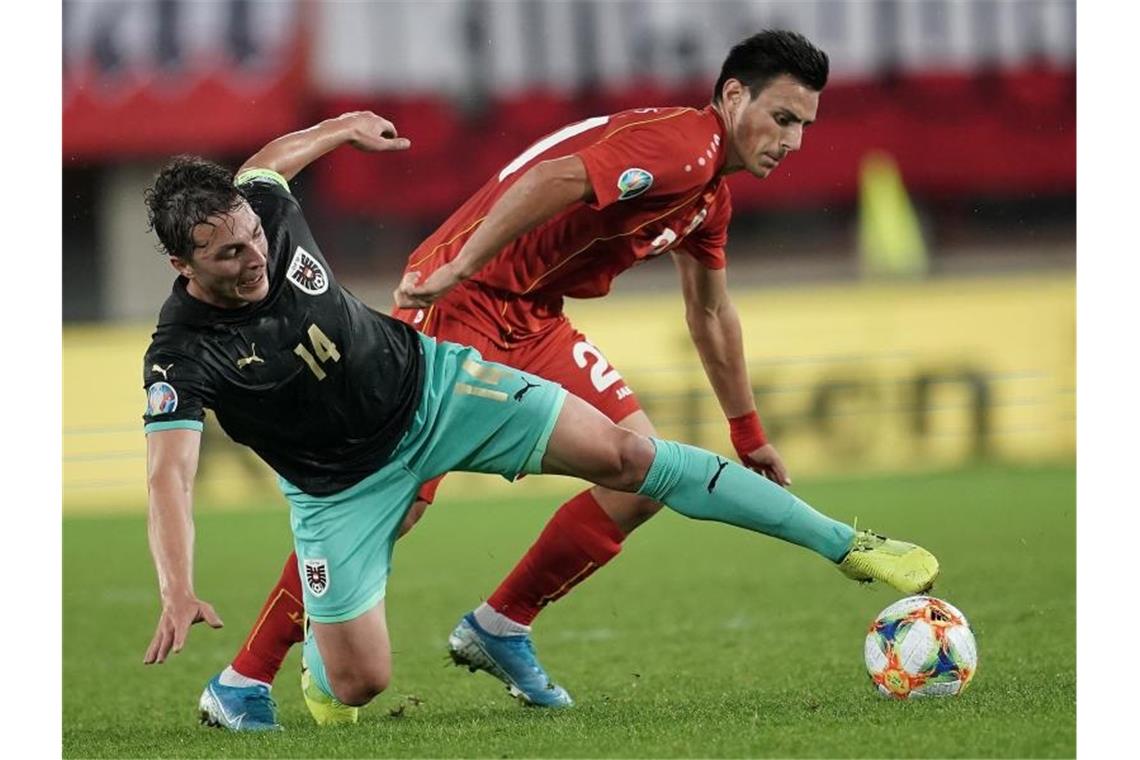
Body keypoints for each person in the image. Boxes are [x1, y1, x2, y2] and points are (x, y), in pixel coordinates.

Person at [182, 31, 938, 732]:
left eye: (804, 124)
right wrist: (463, 263)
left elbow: (711, 313)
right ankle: (248, 677)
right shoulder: (682, 146)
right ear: (733, 97)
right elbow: (558, 175)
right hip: (464, 299)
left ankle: (501, 624)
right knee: (393, 500)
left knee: (640, 473)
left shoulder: (710, 194)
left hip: (533, 315)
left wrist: (749, 434)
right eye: (781, 117)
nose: (792, 141)